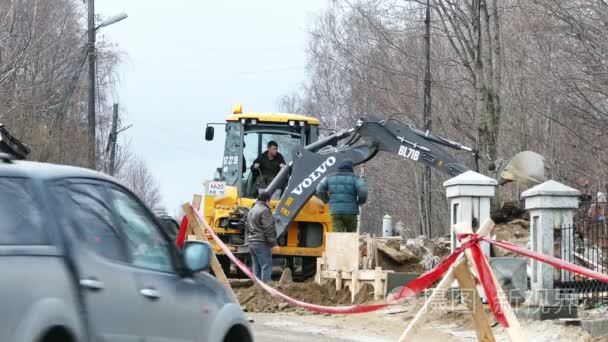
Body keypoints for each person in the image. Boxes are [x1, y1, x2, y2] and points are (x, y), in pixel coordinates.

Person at [316, 160, 368, 233]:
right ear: (351, 168)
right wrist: (360, 202)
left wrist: (326, 200)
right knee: (351, 235)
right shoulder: (355, 178)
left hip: (335, 212)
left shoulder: (329, 177)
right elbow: (363, 191)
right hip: (351, 213)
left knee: (338, 235)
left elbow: (319, 189)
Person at [247, 191, 280, 283]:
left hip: (252, 242)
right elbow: (268, 229)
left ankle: (257, 287)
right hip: (261, 242)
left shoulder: (251, 210)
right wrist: (274, 244)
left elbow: (248, 227)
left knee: (256, 266)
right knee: (266, 265)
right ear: (267, 200)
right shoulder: (265, 210)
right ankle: (266, 287)